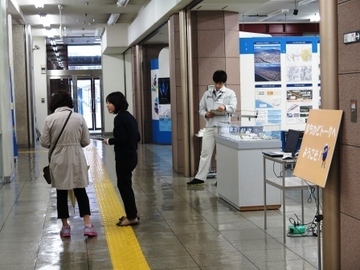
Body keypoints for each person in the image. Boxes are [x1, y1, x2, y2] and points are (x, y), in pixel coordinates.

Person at [40, 90, 97, 237]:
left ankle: (65, 227)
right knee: (80, 191)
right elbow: (86, 141)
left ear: (54, 104)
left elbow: (45, 142)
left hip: (58, 159)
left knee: (61, 192)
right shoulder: (79, 118)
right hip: (76, 157)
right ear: (69, 103)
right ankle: (87, 225)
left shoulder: (49, 119)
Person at [187, 70, 237, 186]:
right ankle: (200, 178)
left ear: (224, 82)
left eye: (220, 83)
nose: (218, 86)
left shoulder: (230, 93)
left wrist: (224, 107)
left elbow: (233, 108)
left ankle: (222, 179)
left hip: (223, 128)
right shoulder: (207, 94)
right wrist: (206, 114)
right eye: (216, 83)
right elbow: (201, 109)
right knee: (205, 152)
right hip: (210, 127)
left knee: (221, 155)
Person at [103, 91, 140, 226]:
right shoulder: (130, 117)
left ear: (117, 104)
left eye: (110, 103)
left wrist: (109, 141)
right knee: (126, 185)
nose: (108, 106)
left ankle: (131, 217)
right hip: (132, 155)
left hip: (124, 156)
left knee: (123, 186)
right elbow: (138, 137)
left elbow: (121, 139)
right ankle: (133, 213)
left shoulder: (119, 118)